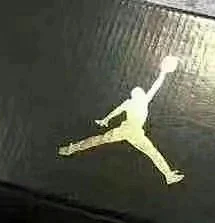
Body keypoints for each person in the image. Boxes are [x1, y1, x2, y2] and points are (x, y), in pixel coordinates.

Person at [58, 56, 185, 185]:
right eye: (139, 92)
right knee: (152, 153)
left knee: (100, 140)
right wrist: (163, 73)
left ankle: (71, 148)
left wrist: (105, 120)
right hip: (132, 132)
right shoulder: (140, 102)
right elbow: (154, 87)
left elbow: (117, 111)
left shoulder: (134, 102)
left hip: (127, 131)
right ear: (136, 95)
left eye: (141, 92)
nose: (141, 93)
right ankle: (168, 175)